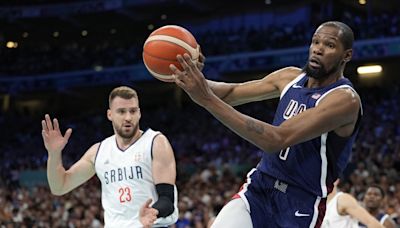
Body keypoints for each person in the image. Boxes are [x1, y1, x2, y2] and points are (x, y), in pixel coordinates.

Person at [170, 21, 362, 227]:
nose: (318, 49)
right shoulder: (290, 77)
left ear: (346, 55)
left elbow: (276, 139)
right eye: (315, 42)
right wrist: (192, 77)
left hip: (300, 202)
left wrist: (206, 99)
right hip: (259, 188)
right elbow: (231, 92)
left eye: (329, 45)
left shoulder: (344, 100)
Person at [41, 86, 178, 227]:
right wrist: (54, 154)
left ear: (139, 113)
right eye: (121, 112)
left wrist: (154, 212)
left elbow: (167, 200)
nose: (128, 117)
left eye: (133, 111)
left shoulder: (155, 142)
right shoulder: (99, 151)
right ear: (110, 114)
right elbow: (59, 186)